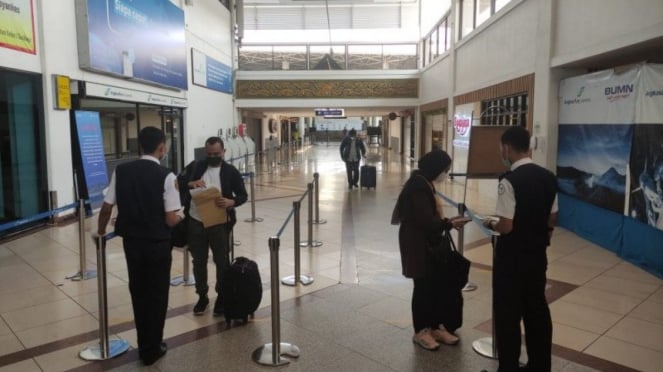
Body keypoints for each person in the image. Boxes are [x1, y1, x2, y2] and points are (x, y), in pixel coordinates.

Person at [96, 127, 183, 366]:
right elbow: (170, 219)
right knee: (157, 294)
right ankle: (152, 348)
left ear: (139, 147)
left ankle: (144, 342)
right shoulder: (167, 175)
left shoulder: (122, 171)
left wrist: (101, 232)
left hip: (132, 244)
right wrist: (182, 214)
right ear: (162, 147)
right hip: (157, 244)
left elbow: (106, 208)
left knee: (139, 291)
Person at [482, 126, 558, 372]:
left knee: (508, 315)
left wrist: (490, 222)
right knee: (536, 310)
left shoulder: (509, 181)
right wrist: (541, 236)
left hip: (511, 260)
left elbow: (505, 226)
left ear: (506, 147)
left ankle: (508, 368)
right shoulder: (548, 177)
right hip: (537, 257)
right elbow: (552, 217)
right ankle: (539, 365)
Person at [392, 149, 469, 351]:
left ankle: (435, 327)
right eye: (445, 169)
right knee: (423, 287)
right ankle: (421, 331)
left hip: (427, 244)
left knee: (434, 285)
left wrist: (447, 222)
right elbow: (425, 220)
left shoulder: (424, 182)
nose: (446, 173)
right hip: (418, 245)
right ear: (437, 168)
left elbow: (428, 218)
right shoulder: (418, 186)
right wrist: (449, 224)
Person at [179, 136, 248, 316]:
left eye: (216, 154)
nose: (213, 157)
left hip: (219, 222)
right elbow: (177, 183)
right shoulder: (195, 166)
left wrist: (230, 201)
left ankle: (222, 297)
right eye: (209, 154)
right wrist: (190, 183)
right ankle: (202, 296)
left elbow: (243, 195)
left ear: (224, 152)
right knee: (199, 261)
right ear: (205, 152)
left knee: (221, 260)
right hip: (196, 220)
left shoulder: (230, 171)